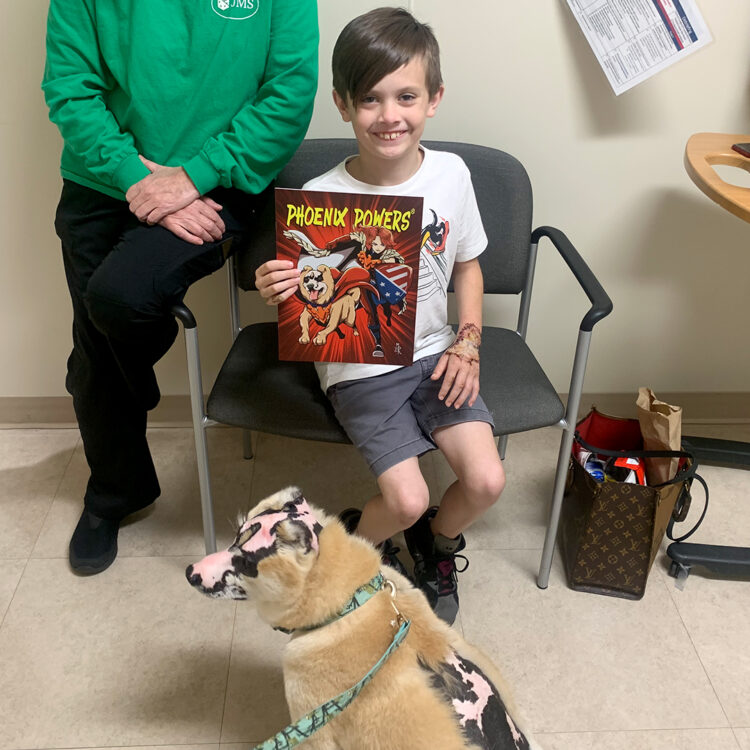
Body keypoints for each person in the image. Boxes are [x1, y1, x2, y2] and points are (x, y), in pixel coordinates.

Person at [42, 0, 319, 575]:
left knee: (115, 307)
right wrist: (138, 179)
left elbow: (289, 93)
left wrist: (192, 177)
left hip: (221, 179)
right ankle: (113, 493)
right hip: (102, 176)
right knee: (96, 348)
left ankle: (109, 373)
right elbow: (70, 87)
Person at [255, 7, 505, 625]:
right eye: (369, 98)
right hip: (359, 368)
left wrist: (468, 342)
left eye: (406, 96)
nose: (389, 115)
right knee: (406, 498)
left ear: (434, 99)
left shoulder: (451, 175)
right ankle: (357, 546)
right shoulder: (320, 199)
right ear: (343, 104)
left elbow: (469, 267)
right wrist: (276, 285)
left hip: (437, 352)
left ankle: (436, 545)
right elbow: (307, 298)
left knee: (486, 482)